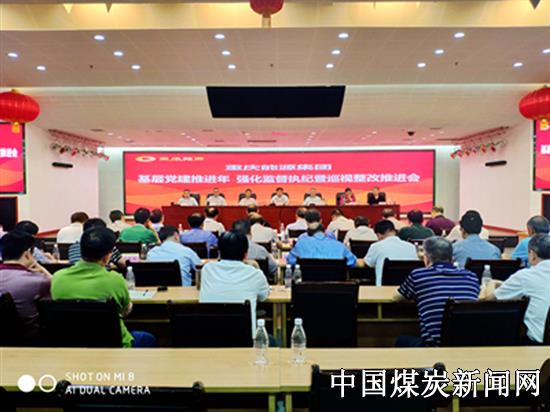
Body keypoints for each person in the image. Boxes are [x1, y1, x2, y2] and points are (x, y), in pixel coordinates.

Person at [51, 227, 157, 348]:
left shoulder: (58, 278)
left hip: (71, 344)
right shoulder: (115, 280)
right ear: (107, 256)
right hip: (114, 344)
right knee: (147, 338)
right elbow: (125, 311)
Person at [393, 237, 480, 347]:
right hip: (466, 344)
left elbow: (397, 298)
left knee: (400, 340)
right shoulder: (471, 277)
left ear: (426, 258)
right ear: (452, 258)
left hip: (433, 347)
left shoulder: (418, 275)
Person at [199, 230, 270, 336]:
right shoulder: (255, 274)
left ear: (219, 252)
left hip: (209, 338)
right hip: (245, 340)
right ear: (246, 253)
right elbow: (263, 297)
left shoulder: (207, 270)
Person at [486, 234, 550, 344]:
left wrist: (491, 284)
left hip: (537, 346)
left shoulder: (525, 276)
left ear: (532, 254)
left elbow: (490, 299)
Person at [0, 230, 52, 343]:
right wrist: (41, 268)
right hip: (29, 339)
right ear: (28, 254)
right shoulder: (38, 281)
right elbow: (57, 288)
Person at [287, 209, 357, 267]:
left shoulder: (301, 244)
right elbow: (352, 261)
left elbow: (290, 260)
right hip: (334, 279)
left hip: (308, 279)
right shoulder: (339, 246)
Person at [365, 220, 418, 286]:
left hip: (383, 289)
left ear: (378, 235)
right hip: (408, 288)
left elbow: (368, 263)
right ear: (394, 231)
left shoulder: (376, 246)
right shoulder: (411, 247)